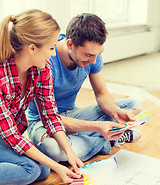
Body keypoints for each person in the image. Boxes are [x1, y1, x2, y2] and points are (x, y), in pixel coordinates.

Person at [27, 13, 142, 163]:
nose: (94, 60)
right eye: (88, 55)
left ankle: (89, 138)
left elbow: (101, 94)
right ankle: (104, 141)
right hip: (42, 122)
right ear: (70, 44)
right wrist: (97, 127)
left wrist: (115, 111)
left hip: (73, 115)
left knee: (133, 106)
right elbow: (49, 117)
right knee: (56, 151)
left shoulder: (93, 55)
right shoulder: (46, 60)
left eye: (98, 54)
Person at [0, 9, 94, 185]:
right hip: (5, 135)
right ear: (33, 48)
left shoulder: (41, 69)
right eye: (51, 48)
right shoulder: (1, 76)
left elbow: (50, 115)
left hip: (8, 135)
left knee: (43, 170)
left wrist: (69, 153)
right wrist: (58, 168)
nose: (53, 54)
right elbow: (12, 137)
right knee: (32, 170)